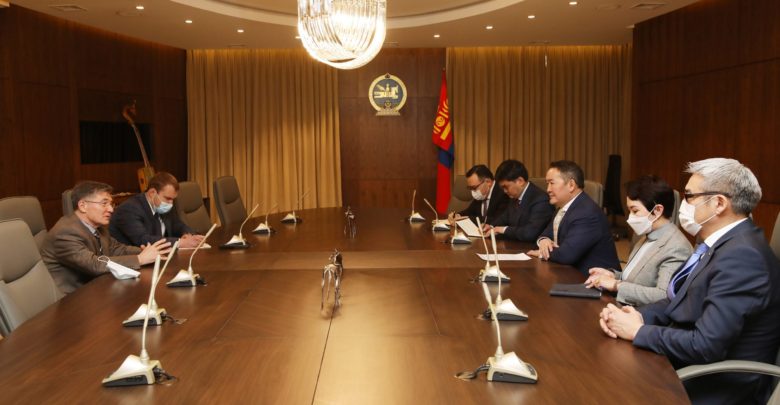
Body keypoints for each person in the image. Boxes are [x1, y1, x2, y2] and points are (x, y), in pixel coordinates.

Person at [598, 158, 780, 405]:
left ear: (718, 203)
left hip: (716, 384)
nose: (683, 204)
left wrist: (638, 331)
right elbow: (680, 298)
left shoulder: (743, 256)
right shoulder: (718, 243)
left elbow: (706, 345)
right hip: (687, 359)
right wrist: (638, 316)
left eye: (689, 196)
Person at [41, 181, 170, 294]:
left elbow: (116, 249)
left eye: (111, 204)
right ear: (83, 206)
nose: (111, 209)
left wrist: (148, 252)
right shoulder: (65, 232)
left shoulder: (98, 227)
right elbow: (93, 264)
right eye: (104, 204)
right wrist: (140, 259)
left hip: (96, 288)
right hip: (70, 300)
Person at [585, 175, 692, 306]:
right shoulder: (646, 234)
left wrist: (616, 285)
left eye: (635, 211)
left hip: (639, 314)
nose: (630, 218)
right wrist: (613, 275)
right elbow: (637, 279)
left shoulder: (676, 247)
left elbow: (663, 295)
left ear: (657, 210)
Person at [528, 160, 620, 274]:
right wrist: (543, 240)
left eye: (552, 183)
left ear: (571, 185)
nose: (548, 189)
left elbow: (566, 255)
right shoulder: (563, 208)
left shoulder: (587, 213)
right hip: (567, 272)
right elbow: (545, 234)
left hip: (593, 279)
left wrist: (542, 253)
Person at [110, 172, 204, 248]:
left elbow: (177, 224)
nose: (171, 203)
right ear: (152, 193)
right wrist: (180, 242)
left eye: (173, 199)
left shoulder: (162, 205)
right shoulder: (129, 209)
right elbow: (143, 240)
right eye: (168, 198)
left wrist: (188, 234)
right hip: (132, 261)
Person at [483, 159, 554, 242]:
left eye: (506, 187)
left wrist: (503, 229)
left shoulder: (541, 200)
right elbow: (505, 217)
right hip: (514, 245)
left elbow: (530, 233)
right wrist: (491, 226)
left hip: (529, 247)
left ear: (520, 181)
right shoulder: (515, 196)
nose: (504, 191)